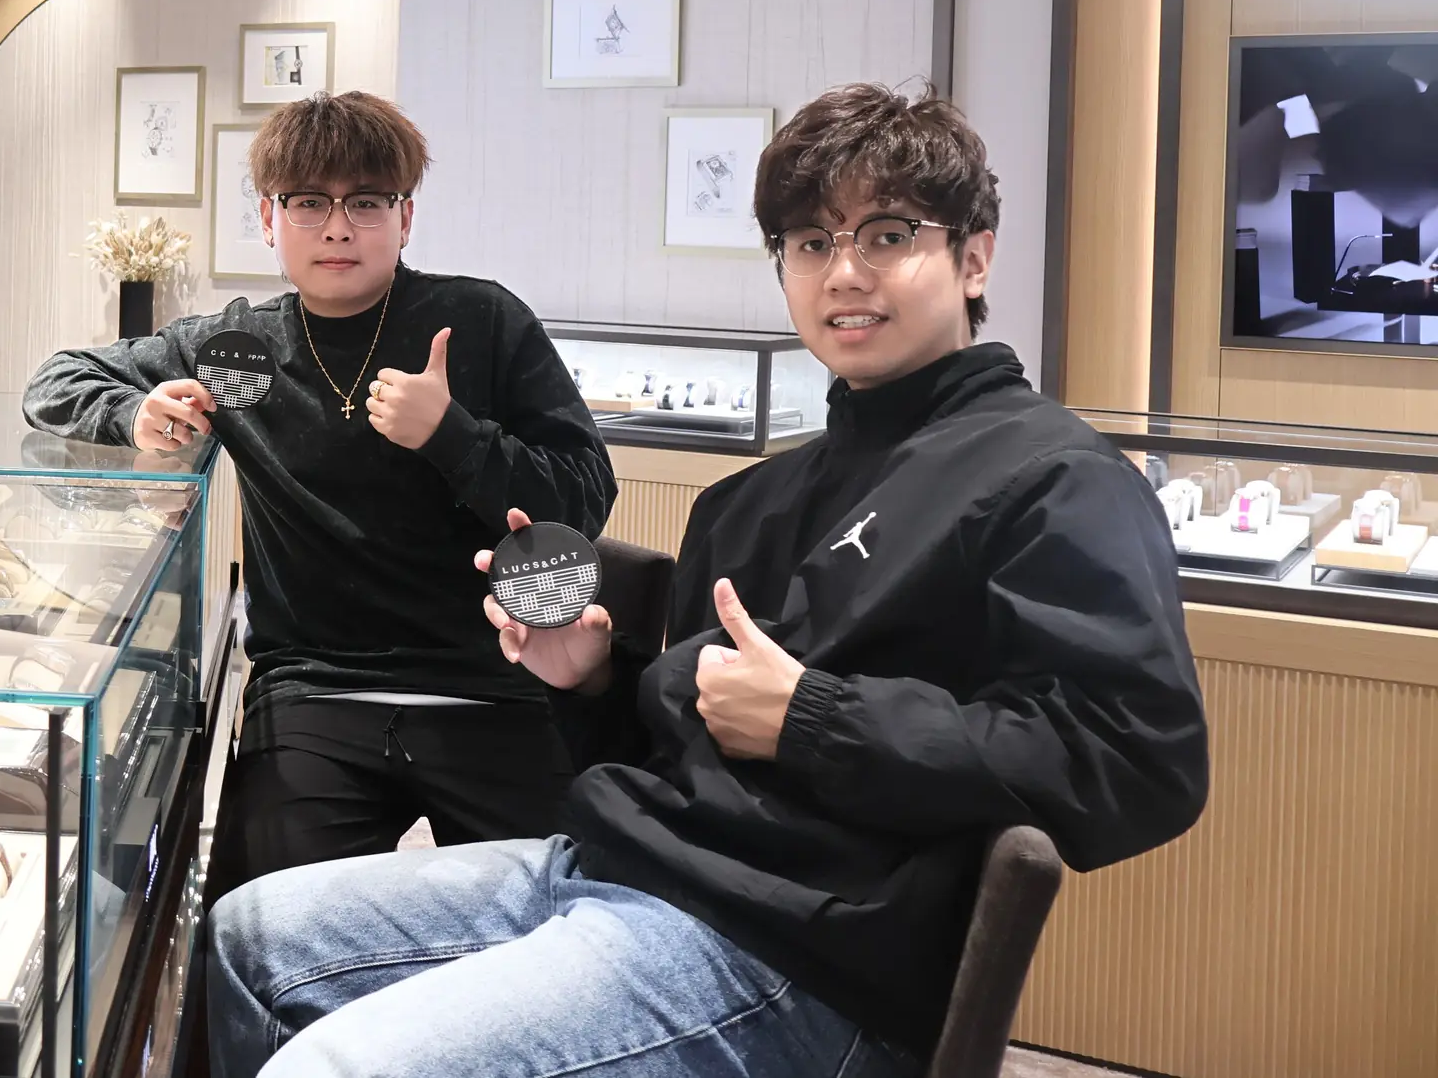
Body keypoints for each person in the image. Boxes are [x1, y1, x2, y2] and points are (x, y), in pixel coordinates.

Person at [209, 83, 1210, 1078]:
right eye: (810, 243)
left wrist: (812, 717)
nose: (844, 272)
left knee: (333, 1065)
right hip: (619, 869)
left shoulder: (1049, 477)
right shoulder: (749, 501)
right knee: (247, 935)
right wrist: (590, 678)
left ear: (974, 255)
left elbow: (1137, 758)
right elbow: (670, 758)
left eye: (888, 235)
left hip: (793, 952)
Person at [24, 90, 615, 897]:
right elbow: (56, 380)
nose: (338, 227)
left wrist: (452, 434)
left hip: (489, 685)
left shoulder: (481, 321)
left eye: (366, 201)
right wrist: (136, 414)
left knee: (573, 914)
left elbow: (584, 496)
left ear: (405, 217)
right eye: (309, 202)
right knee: (258, 921)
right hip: (312, 692)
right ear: (269, 219)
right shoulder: (239, 350)